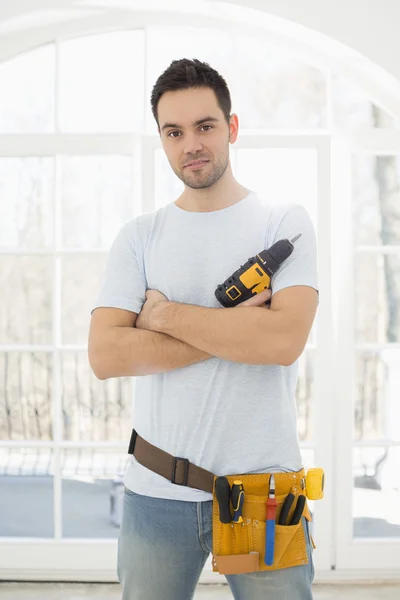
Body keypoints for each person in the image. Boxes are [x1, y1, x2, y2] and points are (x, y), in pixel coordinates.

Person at [89, 58, 319, 600]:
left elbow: (283, 343)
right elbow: (106, 355)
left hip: (265, 495)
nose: (190, 143)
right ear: (163, 140)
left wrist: (165, 317)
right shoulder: (139, 237)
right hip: (156, 489)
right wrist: (238, 331)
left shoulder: (282, 221)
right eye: (174, 132)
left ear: (231, 128)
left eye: (205, 126)